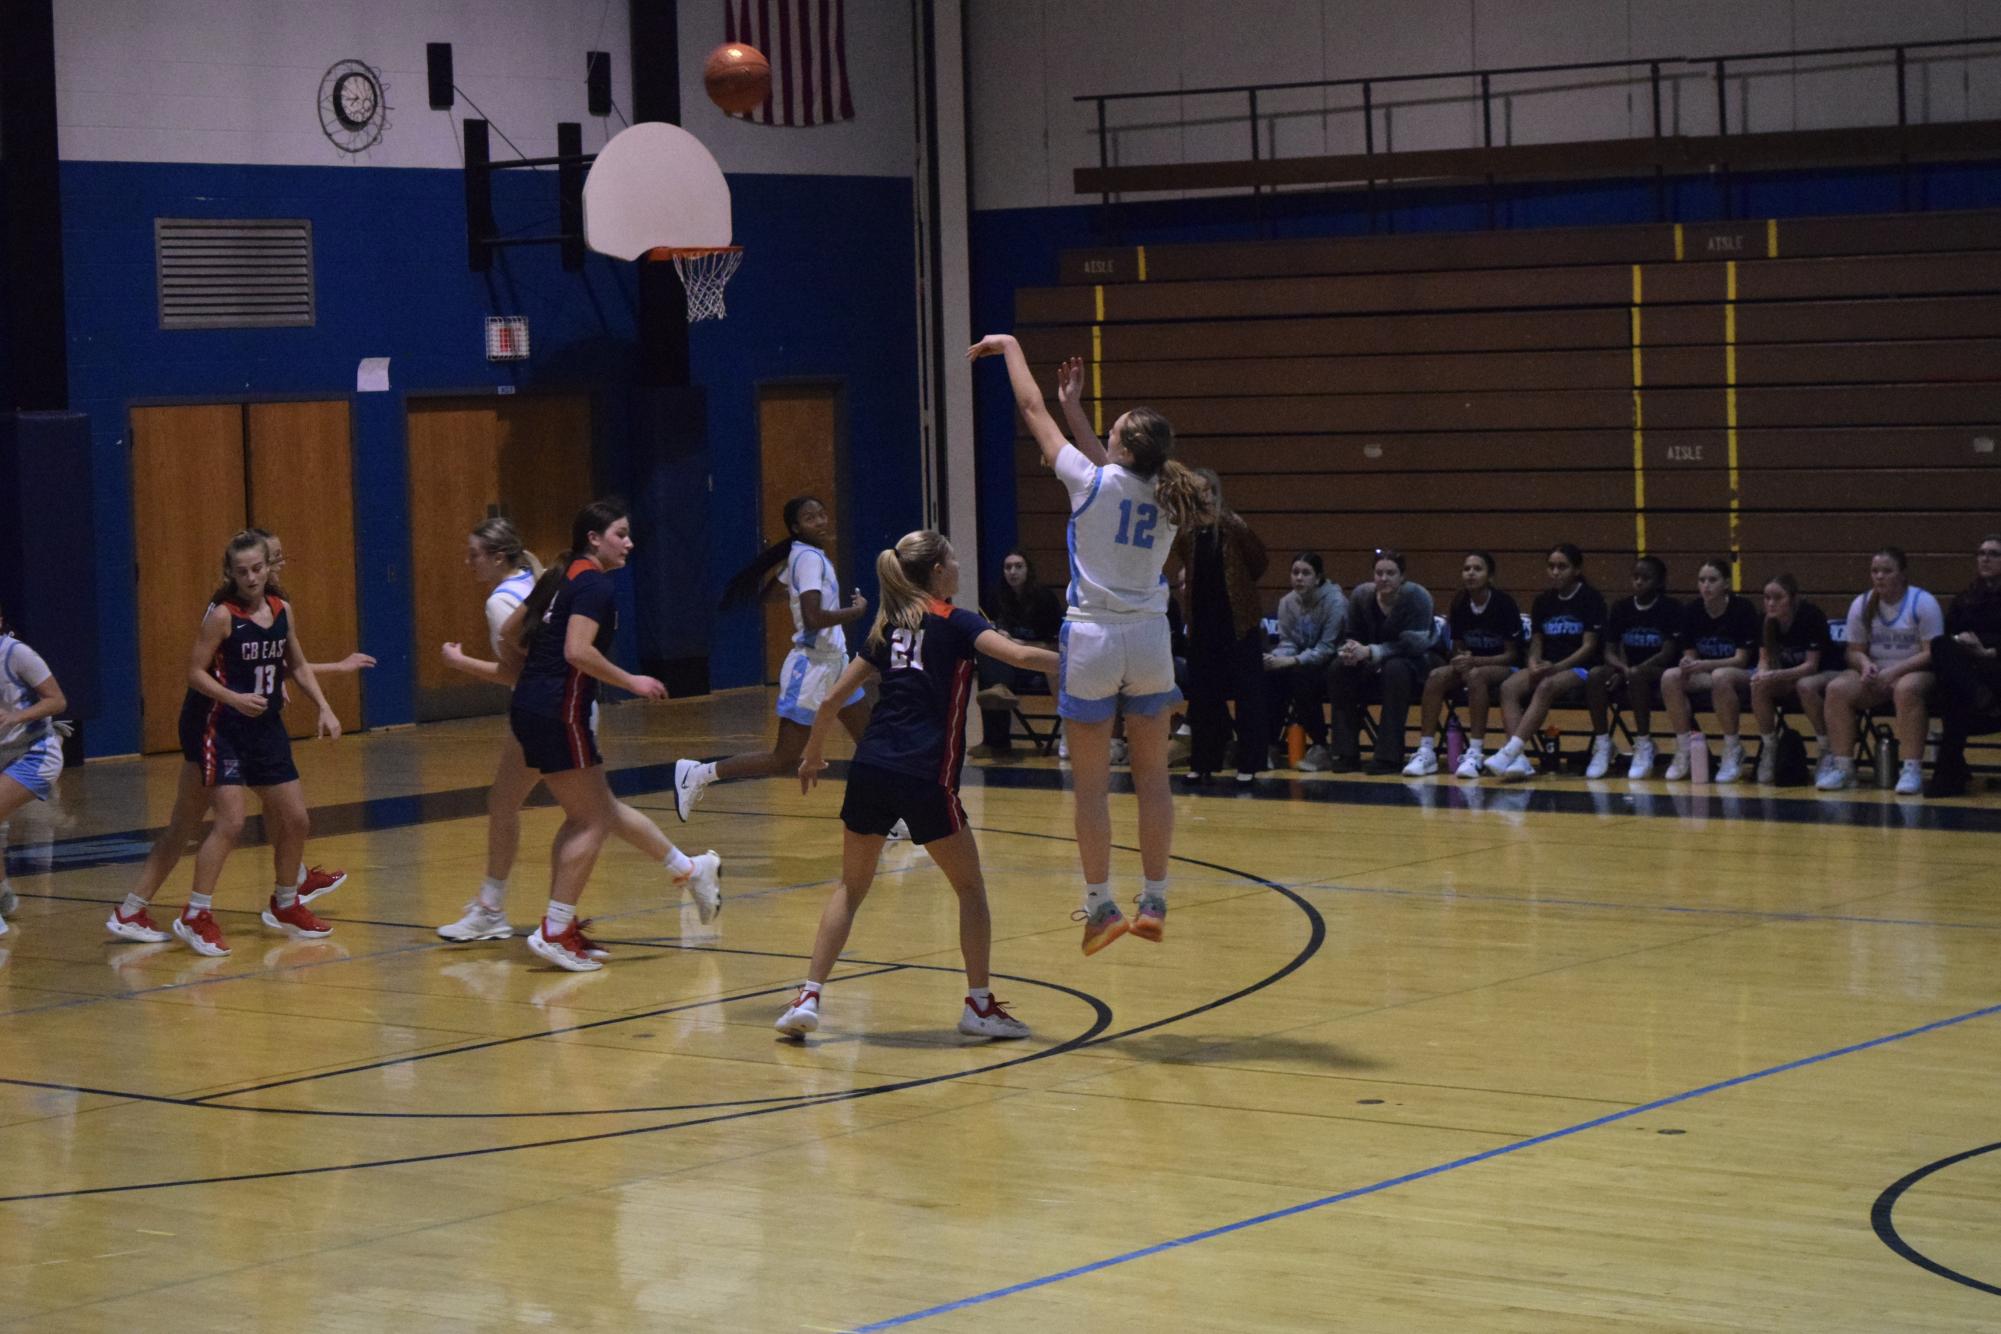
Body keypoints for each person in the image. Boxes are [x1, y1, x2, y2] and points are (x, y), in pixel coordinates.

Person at [968, 333, 1202, 955]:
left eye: (1113, 428)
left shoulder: (1090, 482)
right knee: (1154, 780)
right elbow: (1109, 462)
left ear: (1121, 447)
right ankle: (1154, 899)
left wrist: (1013, 347)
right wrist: (1076, 410)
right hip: (1150, 639)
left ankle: (1101, 906)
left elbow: (1029, 408)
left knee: (1092, 787)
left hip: (1093, 639)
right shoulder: (1170, 496)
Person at [776, 530, 1058, 1039]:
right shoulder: (959, 622)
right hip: (925, 773)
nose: (958, 565)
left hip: (871, 767)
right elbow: (1019, 656)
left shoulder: (889, 627)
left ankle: (808, 996)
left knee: (850, 887)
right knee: (970, 888)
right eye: (952, 558)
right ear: (936, 573)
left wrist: (814, 753)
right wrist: (1089, 665)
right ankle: (979, 1006)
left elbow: (829, 701)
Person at [435, 516, 720, 942]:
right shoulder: (543, 579)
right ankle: (688, 870)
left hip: (550, 709)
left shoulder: (502, 601)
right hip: (562, 707)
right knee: (583, 808)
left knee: (584, 813)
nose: (468, 562)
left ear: (498, 557)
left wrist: (460, 664)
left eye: (474, 555)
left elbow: (520, 671)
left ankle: (513, 912)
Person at [107, 530, 371, 936]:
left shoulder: (282, 608)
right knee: (225, 820)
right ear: (230, 573)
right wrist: (234, 697)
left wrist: (324, 705)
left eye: (261, 567)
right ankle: (197, 912)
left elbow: (291, 663)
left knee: (281, 818)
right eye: (243, 570)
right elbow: (196, 672)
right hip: (216, 725)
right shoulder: (222, 614)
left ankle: (134, 910)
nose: (253, 576)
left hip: (260, 725)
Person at [504, 499, 721, 971]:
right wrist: (633, 681)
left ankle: (685, 870)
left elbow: (509, 631)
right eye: (620, 534)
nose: (629, 542)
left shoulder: (565, 576)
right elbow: (578, 651)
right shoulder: (595, 586)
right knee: (592, 821)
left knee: (591, 812)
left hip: (534, 706)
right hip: (559, 709)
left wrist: (536, 674)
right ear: (594, 539)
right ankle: (556, 931)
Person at [672, 495, 871, 820]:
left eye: (821, 514)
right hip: (812, 668)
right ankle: (698, 774)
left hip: (835, 663)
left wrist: (794, 585)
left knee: (869, 741)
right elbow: (813, 618)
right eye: (810, 518)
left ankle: (885, 817)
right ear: (795, 527)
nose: (820, 521)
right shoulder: (807, 558)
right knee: (784, 759)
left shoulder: (802, 556)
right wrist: (855, 612)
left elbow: (770, 594)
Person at [1171, 468, 1270, 784]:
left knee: (1247, 694)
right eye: (1197, 491)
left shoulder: (1232, 525)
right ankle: (1203, 761)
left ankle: (1250, 763)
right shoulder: (1186, 532)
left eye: (1207, 490)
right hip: (1202, 623)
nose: (1203, 497)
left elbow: (1258, 562)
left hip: (1238, 621)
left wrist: (1225, 519)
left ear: (1216, 492)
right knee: (1203, 696)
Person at [1819, 547, 1943, 794]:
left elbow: (1933, 653)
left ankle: (1911, 768)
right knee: (1837, 689)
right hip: (1877, 674)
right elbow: (1853, 651)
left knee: (1907, 689)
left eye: (1887, 571)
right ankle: (1844, 767)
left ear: (1903, 574)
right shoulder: (1862, 604)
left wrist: (1895, 672)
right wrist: (1866, 665)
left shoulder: (1923, 602)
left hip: (1915, 670)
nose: (1880, 576)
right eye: (1875, 571)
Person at [1486, 544, 1607, 782]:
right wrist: (1533, 662)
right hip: (1548, 665)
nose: (1555, 572)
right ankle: (1520, 761)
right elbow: (1537, 641)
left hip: (1581, 668)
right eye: (1551, 566)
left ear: (1576, 569)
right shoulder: (1543, 601)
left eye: (1562, 566)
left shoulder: (1591, 599)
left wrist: (1557, 667)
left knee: (1546, 686)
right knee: (1509, 687)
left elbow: (1589, 646)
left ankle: (1511, 750)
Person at [1407, 550, 1519, 778]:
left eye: (1477, 569)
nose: (1470, 574)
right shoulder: (1459, 602)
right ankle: (1426, 751)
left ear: (1490, 576)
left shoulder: (1504, 604)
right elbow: (1456, 646)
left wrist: (1475, 661)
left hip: (1503, 667)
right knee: (1436, 676)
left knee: (1476, 676)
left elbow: (1512, 655)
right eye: (1466, 569)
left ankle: (1476, 753)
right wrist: (1458, 659)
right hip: (1471, 665)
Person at [1327, 549, 1439, 774]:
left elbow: (1414, 645)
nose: (1384, 578)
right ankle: (1345, 752)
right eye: (1379, 573)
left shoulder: (1418, 597)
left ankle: (1389, 756)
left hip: (1418, 662)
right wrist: (1349, 650)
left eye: (1390, 573)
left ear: (1402, 576)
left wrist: (1370, 651)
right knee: (1339, 668)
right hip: (1374, 662)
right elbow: (1351, 633)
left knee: (1395, 669)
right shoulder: (1361, 596)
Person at [0, 604, 68, 938]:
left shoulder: (17, 654)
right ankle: (3, 896)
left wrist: (16, 717)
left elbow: (57, 701)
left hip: (36, 752)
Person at [1660, 558, 1761, 781]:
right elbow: (1690, 656)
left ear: (1726, 583)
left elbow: (1741, 660)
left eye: (1712, 580)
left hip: (1744, 675)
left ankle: (1732, 748)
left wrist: (1703, 665)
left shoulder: (1742, 609)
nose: (1706, 585)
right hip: (1709, 674)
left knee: (1721, 676)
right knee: (1670, 677)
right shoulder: (1692, 610)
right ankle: (1684, 748)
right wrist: (1687, 663)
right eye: (1702, 580)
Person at [1585, 556, 1680, 779]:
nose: (1638, 582)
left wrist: (1631, 671)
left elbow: (1667, 652)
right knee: (1596, 674)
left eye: (1645, 578)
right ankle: (1602, 742)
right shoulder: (1621, 607)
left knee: (1637, 675)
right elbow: (1609, 650)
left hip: (1659, 671)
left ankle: (1644, 742)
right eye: (1635, 577)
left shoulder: (1670, 607)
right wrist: (1622, 669)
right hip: (1628, 669)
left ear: (1659, 582)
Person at [1922, 534, 2001, 796]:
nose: (1985, 558)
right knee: (1940, 646)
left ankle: (1949, 773)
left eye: (1993, 554)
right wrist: (1962, 643)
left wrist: (1988, 652)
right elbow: (1949, 638)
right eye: (1981, 553)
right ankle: (1981, 698)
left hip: (1995, 667)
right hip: (1970, 674)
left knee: (1954, 698)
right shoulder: (1965, 599)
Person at [972, 548, 1063, 757]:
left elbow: (1054, 645)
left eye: (1018, 566)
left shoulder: (1045, 599)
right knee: (987, 651)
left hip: (1039, 665)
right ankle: (996, 741)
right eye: (1008, 567)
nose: (1012, 572)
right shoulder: (997, 597)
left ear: (1028, 570)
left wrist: (1016, 643)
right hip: (1010, 664)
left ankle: (1000, 688)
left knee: (996, 669)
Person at [1747, 573, 1836, 784]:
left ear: (1793, 598)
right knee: (1759, 687)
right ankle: (1770, 747)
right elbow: (1763, 659)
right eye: (1767, 597)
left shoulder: (1811, 616)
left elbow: (1810, 666)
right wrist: (1760, 675)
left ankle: (1826, 749)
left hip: (1827, 673)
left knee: (1805, 685)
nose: (1771, 603)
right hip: (1790, 676)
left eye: (1778, 598)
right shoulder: (1765, 620)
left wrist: (1775, 674)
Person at [1262, 553, 1345, 772]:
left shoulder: (1335, 602)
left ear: (1318, 578)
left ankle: (1320, 745)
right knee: (1271, 673)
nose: (1299, 577)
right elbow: (1288, 641)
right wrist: (1277, 657)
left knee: (1301, 676)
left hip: (1332, 663)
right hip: (1300, 659)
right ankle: (1269, 744)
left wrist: (1292, 660)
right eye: (1295, 572)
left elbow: (1328, 648)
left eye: (1305, 573)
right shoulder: (1287, 602)